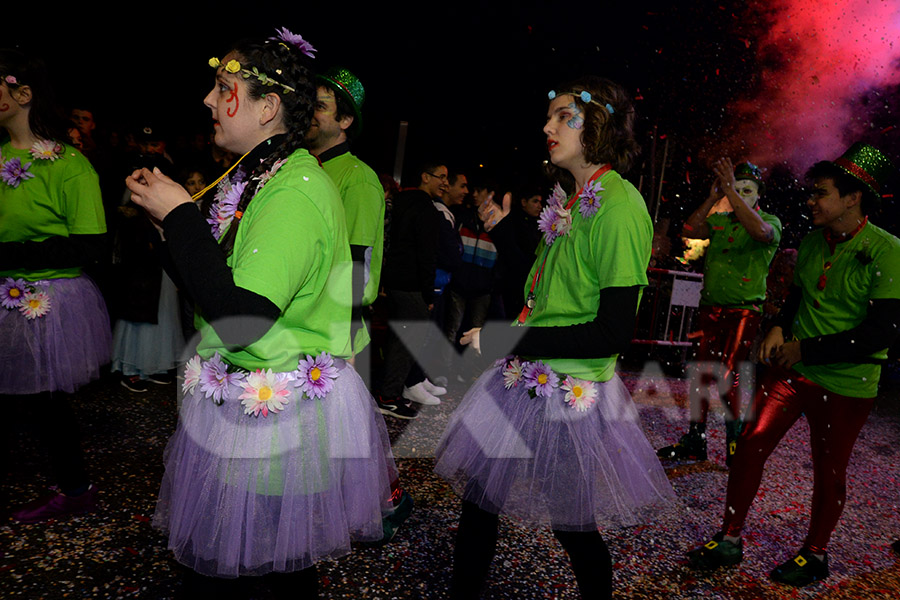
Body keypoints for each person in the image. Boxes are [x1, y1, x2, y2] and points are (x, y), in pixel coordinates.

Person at [124, 29, 398, 598]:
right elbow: (212, 290)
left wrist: (180, 221)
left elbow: (240, 318)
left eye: (224, 87)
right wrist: (167, 232)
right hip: (245, 395)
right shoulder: (254, 178)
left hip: (276, 411)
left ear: (268, 106)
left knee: (263, 569)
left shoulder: (294, 189)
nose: (207, 100)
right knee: (256, 567)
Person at [434, 76, 677, 599]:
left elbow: (612, 332)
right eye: (549, 116)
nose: (547, 126)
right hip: (526, 376)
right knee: (479, 503)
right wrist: (502, 230)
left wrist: (502, 340)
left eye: (564, 115)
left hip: (569, 390)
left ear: (599, 124)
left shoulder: (619, 206)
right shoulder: (571, 196)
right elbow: (545, 296)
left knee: (573, 525)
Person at [687, 142, 899, 587]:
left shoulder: (887, 250)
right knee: (748, 442)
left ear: (852, 197)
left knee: (829, 468)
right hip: (792, 370)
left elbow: (882, 332)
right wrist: (781, 326)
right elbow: (798, 297)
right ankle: (729, 539)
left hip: (847, 381)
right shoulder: (810, 241)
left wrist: (806, 349)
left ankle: (815, 554)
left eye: (820, 193)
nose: (810, 201)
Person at [0, 49, 111, 522]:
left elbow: (89, 247)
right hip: (5, 293)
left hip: (49, 299)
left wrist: (10, 256)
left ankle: (75, 488)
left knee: (47, 402)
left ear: (22, 95)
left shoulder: (69, 165)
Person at [304, 66, 412, 545]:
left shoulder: (359, 178)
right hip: (303, 323)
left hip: (336, 328)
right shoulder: (302, 168)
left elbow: (358, 261)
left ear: (346, 121)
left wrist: (344, 334)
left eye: (322, 105)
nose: (310, 112)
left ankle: (377, 505)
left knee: (339, 437)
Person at [657, 160, 781, 465]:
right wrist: (713, 197)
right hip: (709, 309)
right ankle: (695, 441)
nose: (739, 193)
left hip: (742, 312)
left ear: (759, 194)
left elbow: (762, 233)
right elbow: (690, 229)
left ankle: (735, 443)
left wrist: (730, 193)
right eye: (735, 187)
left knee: (729, 374)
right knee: (700, 374)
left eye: (747, 189)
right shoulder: (721, 220)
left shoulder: (769, 220)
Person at [376, 160, 448, 417]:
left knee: (398, 339)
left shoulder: (399, 202)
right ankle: (390, 397)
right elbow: (427, 255)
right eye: (440, 176)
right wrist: (428, 294)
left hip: (393, 283)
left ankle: (392, 391)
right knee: (406, 342)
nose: (445, 183)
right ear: (424, 177)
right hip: (411, 286)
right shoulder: (425, 208)